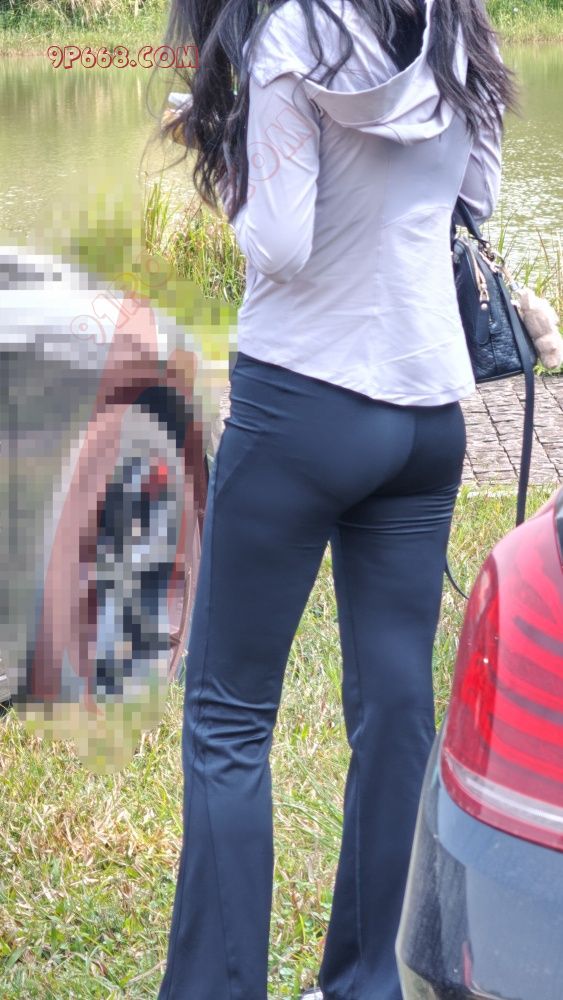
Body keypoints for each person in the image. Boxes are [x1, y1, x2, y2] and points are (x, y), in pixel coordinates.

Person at [156, 0, 519, 997]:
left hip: (300, 406)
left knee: (228, 718)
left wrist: (221, 149)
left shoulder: (291, 35)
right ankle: (362, 983)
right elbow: (478, 192)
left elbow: (278, 243)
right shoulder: (458, 30)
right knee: (395, 712)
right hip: (423, 418)